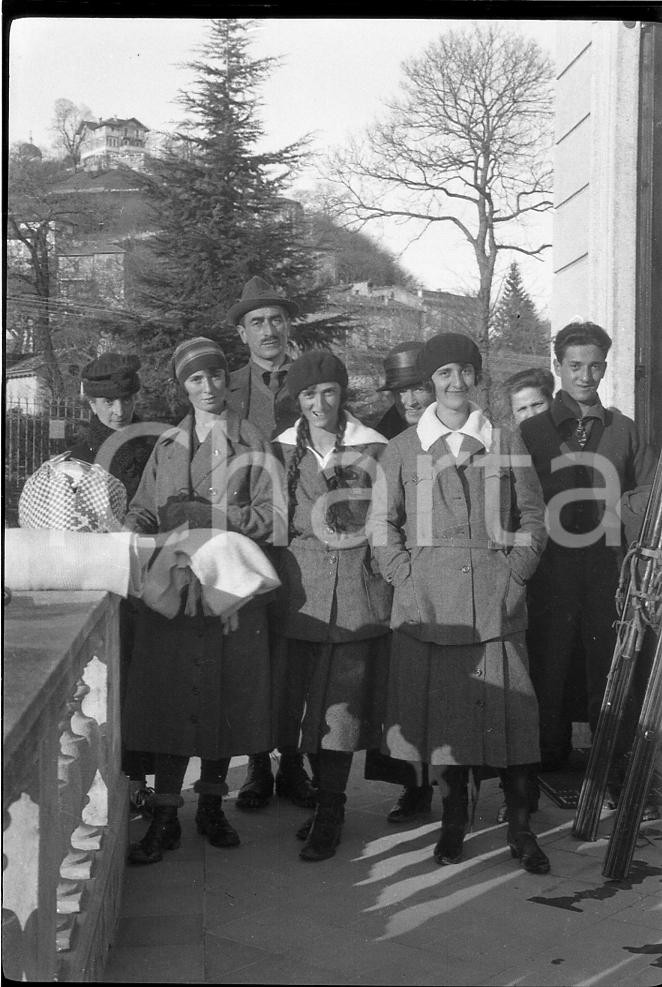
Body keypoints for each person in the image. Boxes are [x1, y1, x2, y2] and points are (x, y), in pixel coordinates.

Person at [372, 332, 551, 874]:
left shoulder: (505, 439)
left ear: (477, 378)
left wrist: (516, 572)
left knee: (514, 719)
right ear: (430, 383)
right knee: (447, 723)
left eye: (464, 372)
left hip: (497, 601)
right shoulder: (402, 448)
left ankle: (520, 829)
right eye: (444, 374)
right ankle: (453, 823)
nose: (455, 383)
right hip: (434, 606)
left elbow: (534, 518)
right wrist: (405, 577)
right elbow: (382, 525)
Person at [123, 337, 280, 865]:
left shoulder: (254, 440)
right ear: (182, 386)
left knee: (224, 695)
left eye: (215, 376)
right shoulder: (167, 444)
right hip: (175, 589)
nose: (208, 387)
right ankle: (166, 814)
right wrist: (130, 526)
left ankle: (212, 807)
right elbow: (145, 507)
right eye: (195, 379)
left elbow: (274, 518)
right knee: (170, 697)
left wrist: (210, 518)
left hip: (230, 587)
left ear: (226, 380)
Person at [519, 321, 656, 779]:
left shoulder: (624, 431)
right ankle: (543, 758)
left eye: (595, 366)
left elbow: (649, 495)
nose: (585, 376)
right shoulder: (532, 432)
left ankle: (610, 761)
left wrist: (619, 512)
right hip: (550, 568)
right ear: (557, 367)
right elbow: (515, 500)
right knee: (548, 659)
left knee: (609, 660)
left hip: (608, 569)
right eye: (575, 366)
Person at [271, 350, 392, 861]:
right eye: (307, 395)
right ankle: (321, 796)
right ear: (296, 401)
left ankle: (332, 810)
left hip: (358, 589)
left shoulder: (375, 448)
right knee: (307, 706)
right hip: (301, 590)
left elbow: (394, 514)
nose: (319, 404)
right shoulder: (278, 452)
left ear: (342, 394)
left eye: (328, 392)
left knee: (341, 707)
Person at [226, 276, 316, 812]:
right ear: (242, 333)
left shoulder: (312, 381)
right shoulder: (225, 386)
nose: (269, 330)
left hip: (306, 537)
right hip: (249, 540)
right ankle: (259, 765)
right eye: (257, 322)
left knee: (294, 656)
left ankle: (294, 762)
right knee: (253, 656)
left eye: (277, 319)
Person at [70, 352, 159, 817]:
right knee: (109, 686)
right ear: (90, 402)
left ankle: (142, 785)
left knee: (147, 687)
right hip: (105, 586)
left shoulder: (156, 444)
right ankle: (115, 782)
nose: (117, 412)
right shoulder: (77, 456)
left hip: (153, 579)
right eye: (106, 403)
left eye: (124, 400)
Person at [365, 341, 437, 823]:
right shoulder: (382, 438)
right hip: (400, 577)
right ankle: (413, 786)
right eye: (401, 392)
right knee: (404, 688)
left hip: (449, 574)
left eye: (417, 389)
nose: (409, 401)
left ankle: (453, 781)